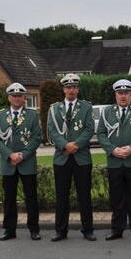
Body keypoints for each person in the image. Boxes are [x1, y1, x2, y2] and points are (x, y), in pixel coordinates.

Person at [97, 79, 131, 240]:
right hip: (115, 162)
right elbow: (101, 133)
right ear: (115, 94)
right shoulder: (107, 111)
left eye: (126, 93)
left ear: (130, 94)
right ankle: (117, 229)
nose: (123, 96)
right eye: (120, 93)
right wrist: (112, 149)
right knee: (116, 198)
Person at [47, 73, 96, 242]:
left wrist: (75, 145)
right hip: (62, 158)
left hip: (81, 157)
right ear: (63, 89)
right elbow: (52, 130)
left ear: (78, 89)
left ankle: (88, 230)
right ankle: (61, 231)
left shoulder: (86, 107)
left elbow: (89, 129)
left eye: (74, 87)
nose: (71, 90)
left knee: (85, 196)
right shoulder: (54, 109)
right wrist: (65, 145)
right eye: (68, 87)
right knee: (61, 197)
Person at [0, 82, 42, 240]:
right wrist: (10, 155)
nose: (17, 98)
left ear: (24, 98)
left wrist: (22, 155)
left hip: (27, 162)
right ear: (9, 98)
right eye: (14, 96)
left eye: (19, 96)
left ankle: (34, 229)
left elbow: (37, 138)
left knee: (31, 197)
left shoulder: (32, 115)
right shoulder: (0, 115)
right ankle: (9, 230)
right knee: (9, 199)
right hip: (8, 163)